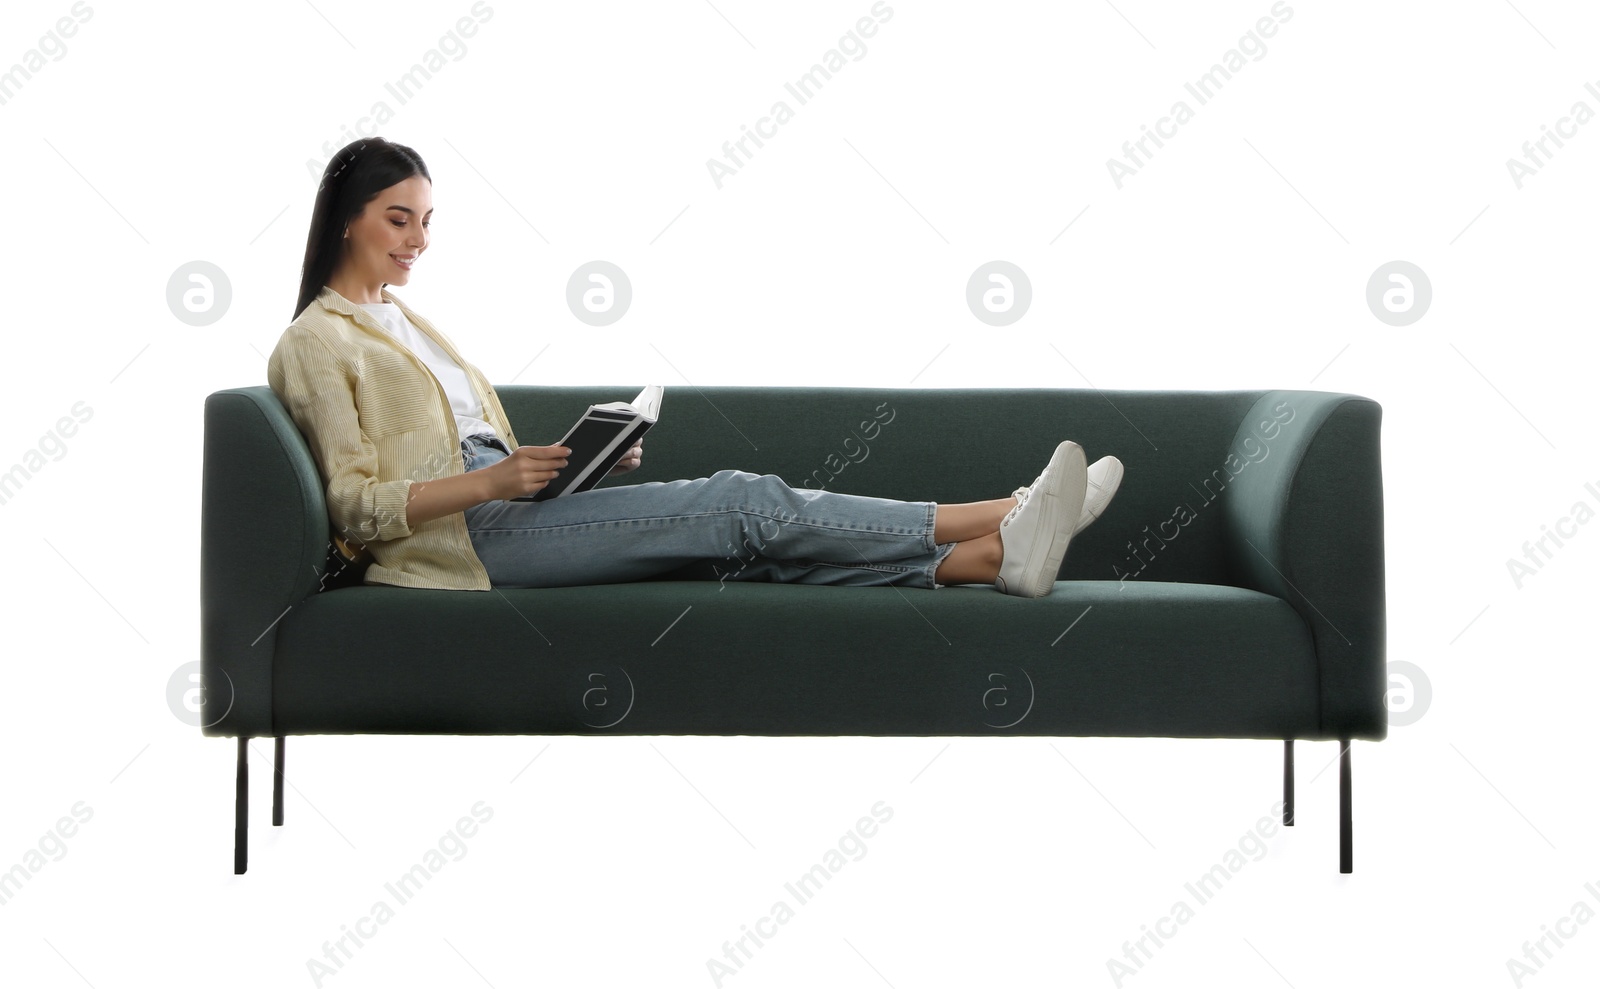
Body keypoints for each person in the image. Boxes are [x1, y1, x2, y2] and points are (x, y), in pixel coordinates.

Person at [267, 138, 1124, 597]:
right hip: (466, 546)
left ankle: (986, 563)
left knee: (747, 540)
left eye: (426, 221)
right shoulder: (316, 342)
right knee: (742, 500)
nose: (419, 240)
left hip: (509, 512)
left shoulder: (405, 320)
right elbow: (354, 507)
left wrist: (567, 464)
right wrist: (493, 487)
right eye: (399, 219)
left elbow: (476, 449)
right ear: (347, 218)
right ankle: (1011, 512)